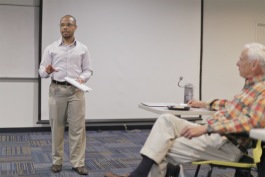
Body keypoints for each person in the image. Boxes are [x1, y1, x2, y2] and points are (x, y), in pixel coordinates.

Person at [104, 42, 265, 177]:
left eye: (241, 59)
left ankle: (140, 175)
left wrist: (206, 128)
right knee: (166, 119)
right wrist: (204, 103)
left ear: (254, 64)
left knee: (161, 147)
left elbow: (252, 122)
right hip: (215, 137)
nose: (237, 63)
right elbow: (231, 105)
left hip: (226, 144)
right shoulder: (250, 87)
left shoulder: (263, 90)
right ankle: (154, 173)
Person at [39, 15, 93, 175]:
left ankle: (78, 163)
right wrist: (46, 71)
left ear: (75, 27)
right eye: (62, 25)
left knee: (78, 129)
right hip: (57, 90)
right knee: (57, 128)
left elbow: (88, 70)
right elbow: (41, 71)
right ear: (59, 27)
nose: (65, 28)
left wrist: (82, 78)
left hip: (76, 91)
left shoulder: (83, 48)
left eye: (68, 25)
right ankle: (57, 161)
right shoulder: (51, 48)